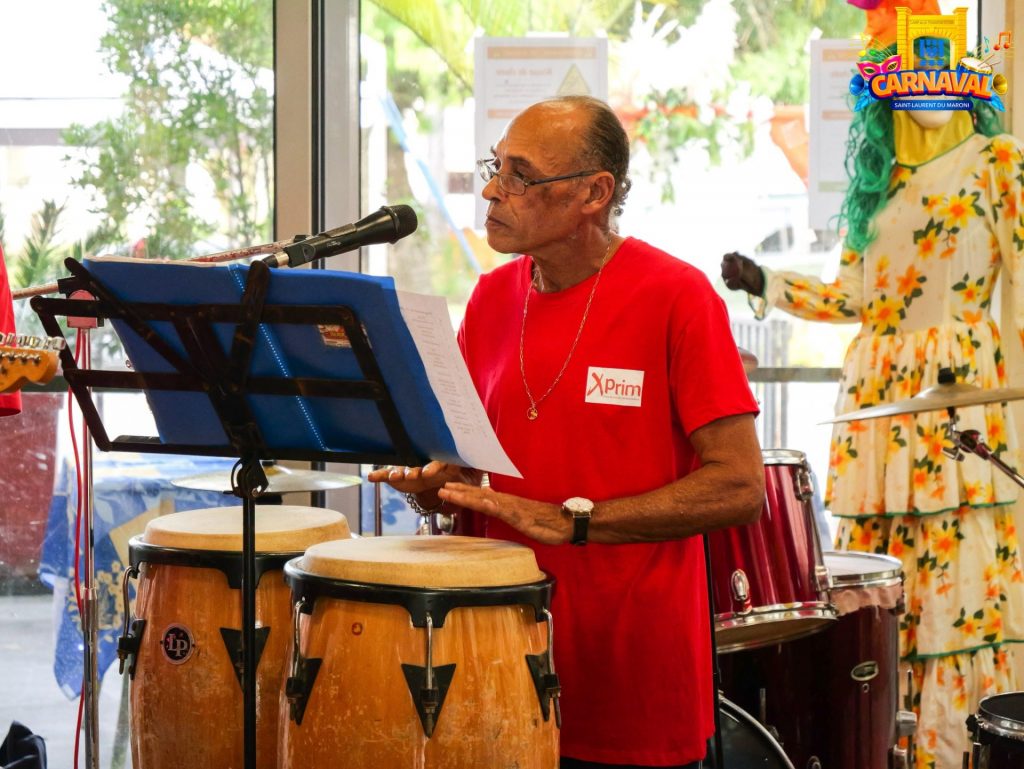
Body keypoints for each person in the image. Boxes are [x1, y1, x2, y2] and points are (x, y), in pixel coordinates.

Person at [370, 95, 764, 768]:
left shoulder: (677, 295)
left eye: (521, 175)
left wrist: (576, 521)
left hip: (630, 679)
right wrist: (432, 489)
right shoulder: (491, 298)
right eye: (496, 166)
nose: (493, 189)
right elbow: (469, 472)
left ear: (594, 192)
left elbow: (739, 485)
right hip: (491, 660)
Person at [721, 47, 1024, 769]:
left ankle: (958, 747)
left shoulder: (998, 161)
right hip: (881, 403)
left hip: (956, 387)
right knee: (886, 580)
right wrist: (769, 281)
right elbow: (856, 297)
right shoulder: (880, 182)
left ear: (969, 94)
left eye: (941, 85)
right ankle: (886, 736)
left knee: (960, 574)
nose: (923, 100)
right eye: (906, 90)